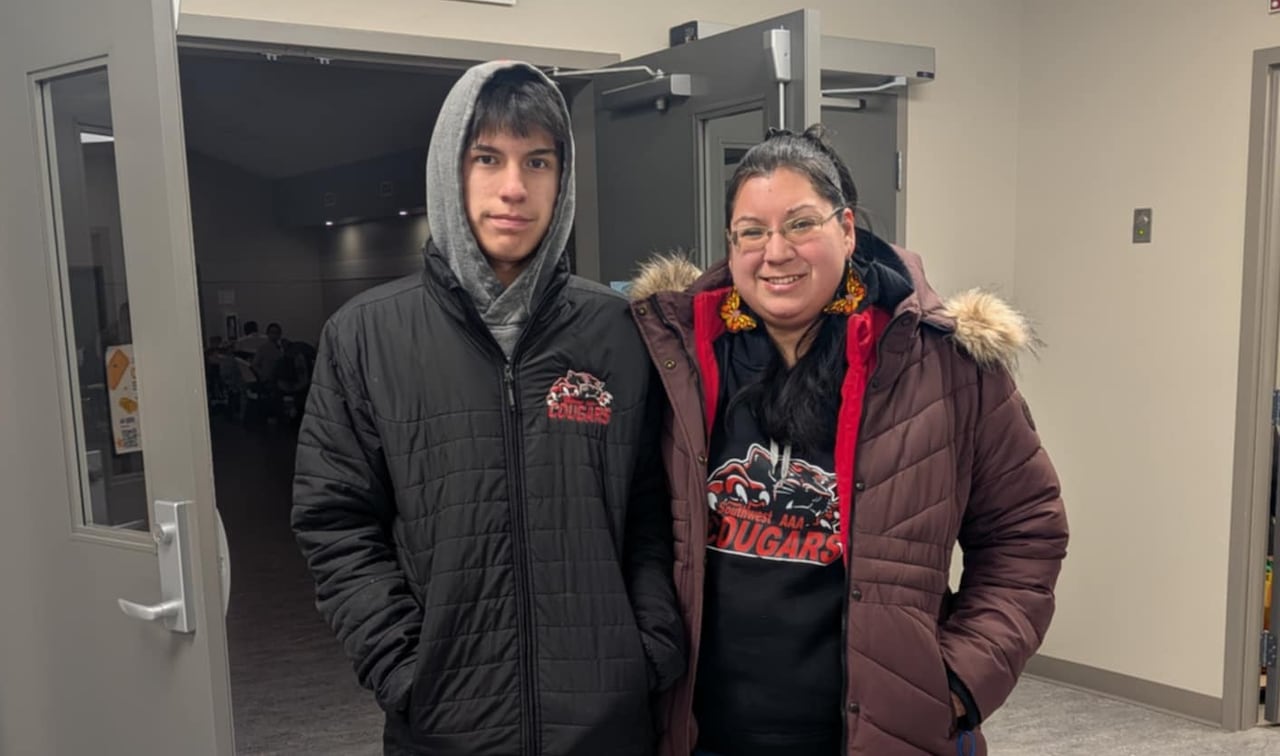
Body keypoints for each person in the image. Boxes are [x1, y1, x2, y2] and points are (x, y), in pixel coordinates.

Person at [628, 126, 1068, 756]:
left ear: (848, 229)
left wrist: (957, 681)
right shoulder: (676, 361)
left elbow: (1027, 532)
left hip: (882, 732)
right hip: (703, 735)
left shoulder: (944, 366)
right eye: (752, 231)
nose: (775, 252)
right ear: (730, 245)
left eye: (801, 223)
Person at [291, 61, 685, 756]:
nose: (513, 188)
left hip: (605, 724)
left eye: (538, 161)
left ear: (562, 179)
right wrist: (404, 670)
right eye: (488, 158)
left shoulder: (620, 332)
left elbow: (652, 510)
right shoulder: (365, 337)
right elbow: (335, 524)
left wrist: (644, 649)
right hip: (442, 722)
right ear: (452, 168)